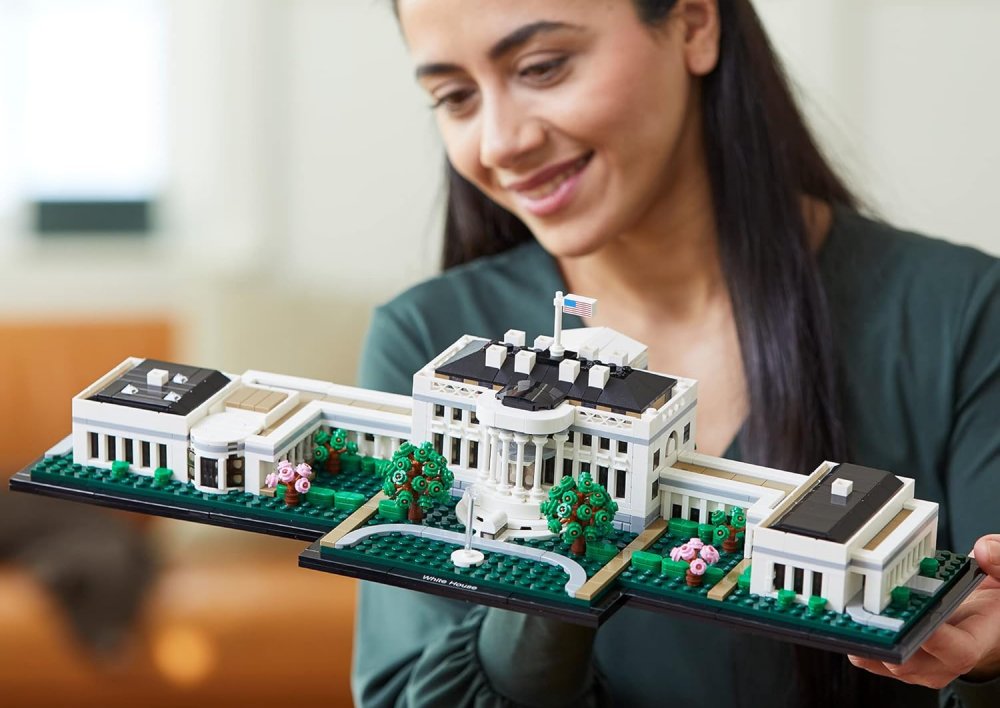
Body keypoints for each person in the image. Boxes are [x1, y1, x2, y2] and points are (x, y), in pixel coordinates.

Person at [352, 1, 1000, 706]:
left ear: (694, 23)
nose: (500, 142)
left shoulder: (962, 317)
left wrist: (988, 664)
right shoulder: (427, 342)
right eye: (455, 96)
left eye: (542, 67)